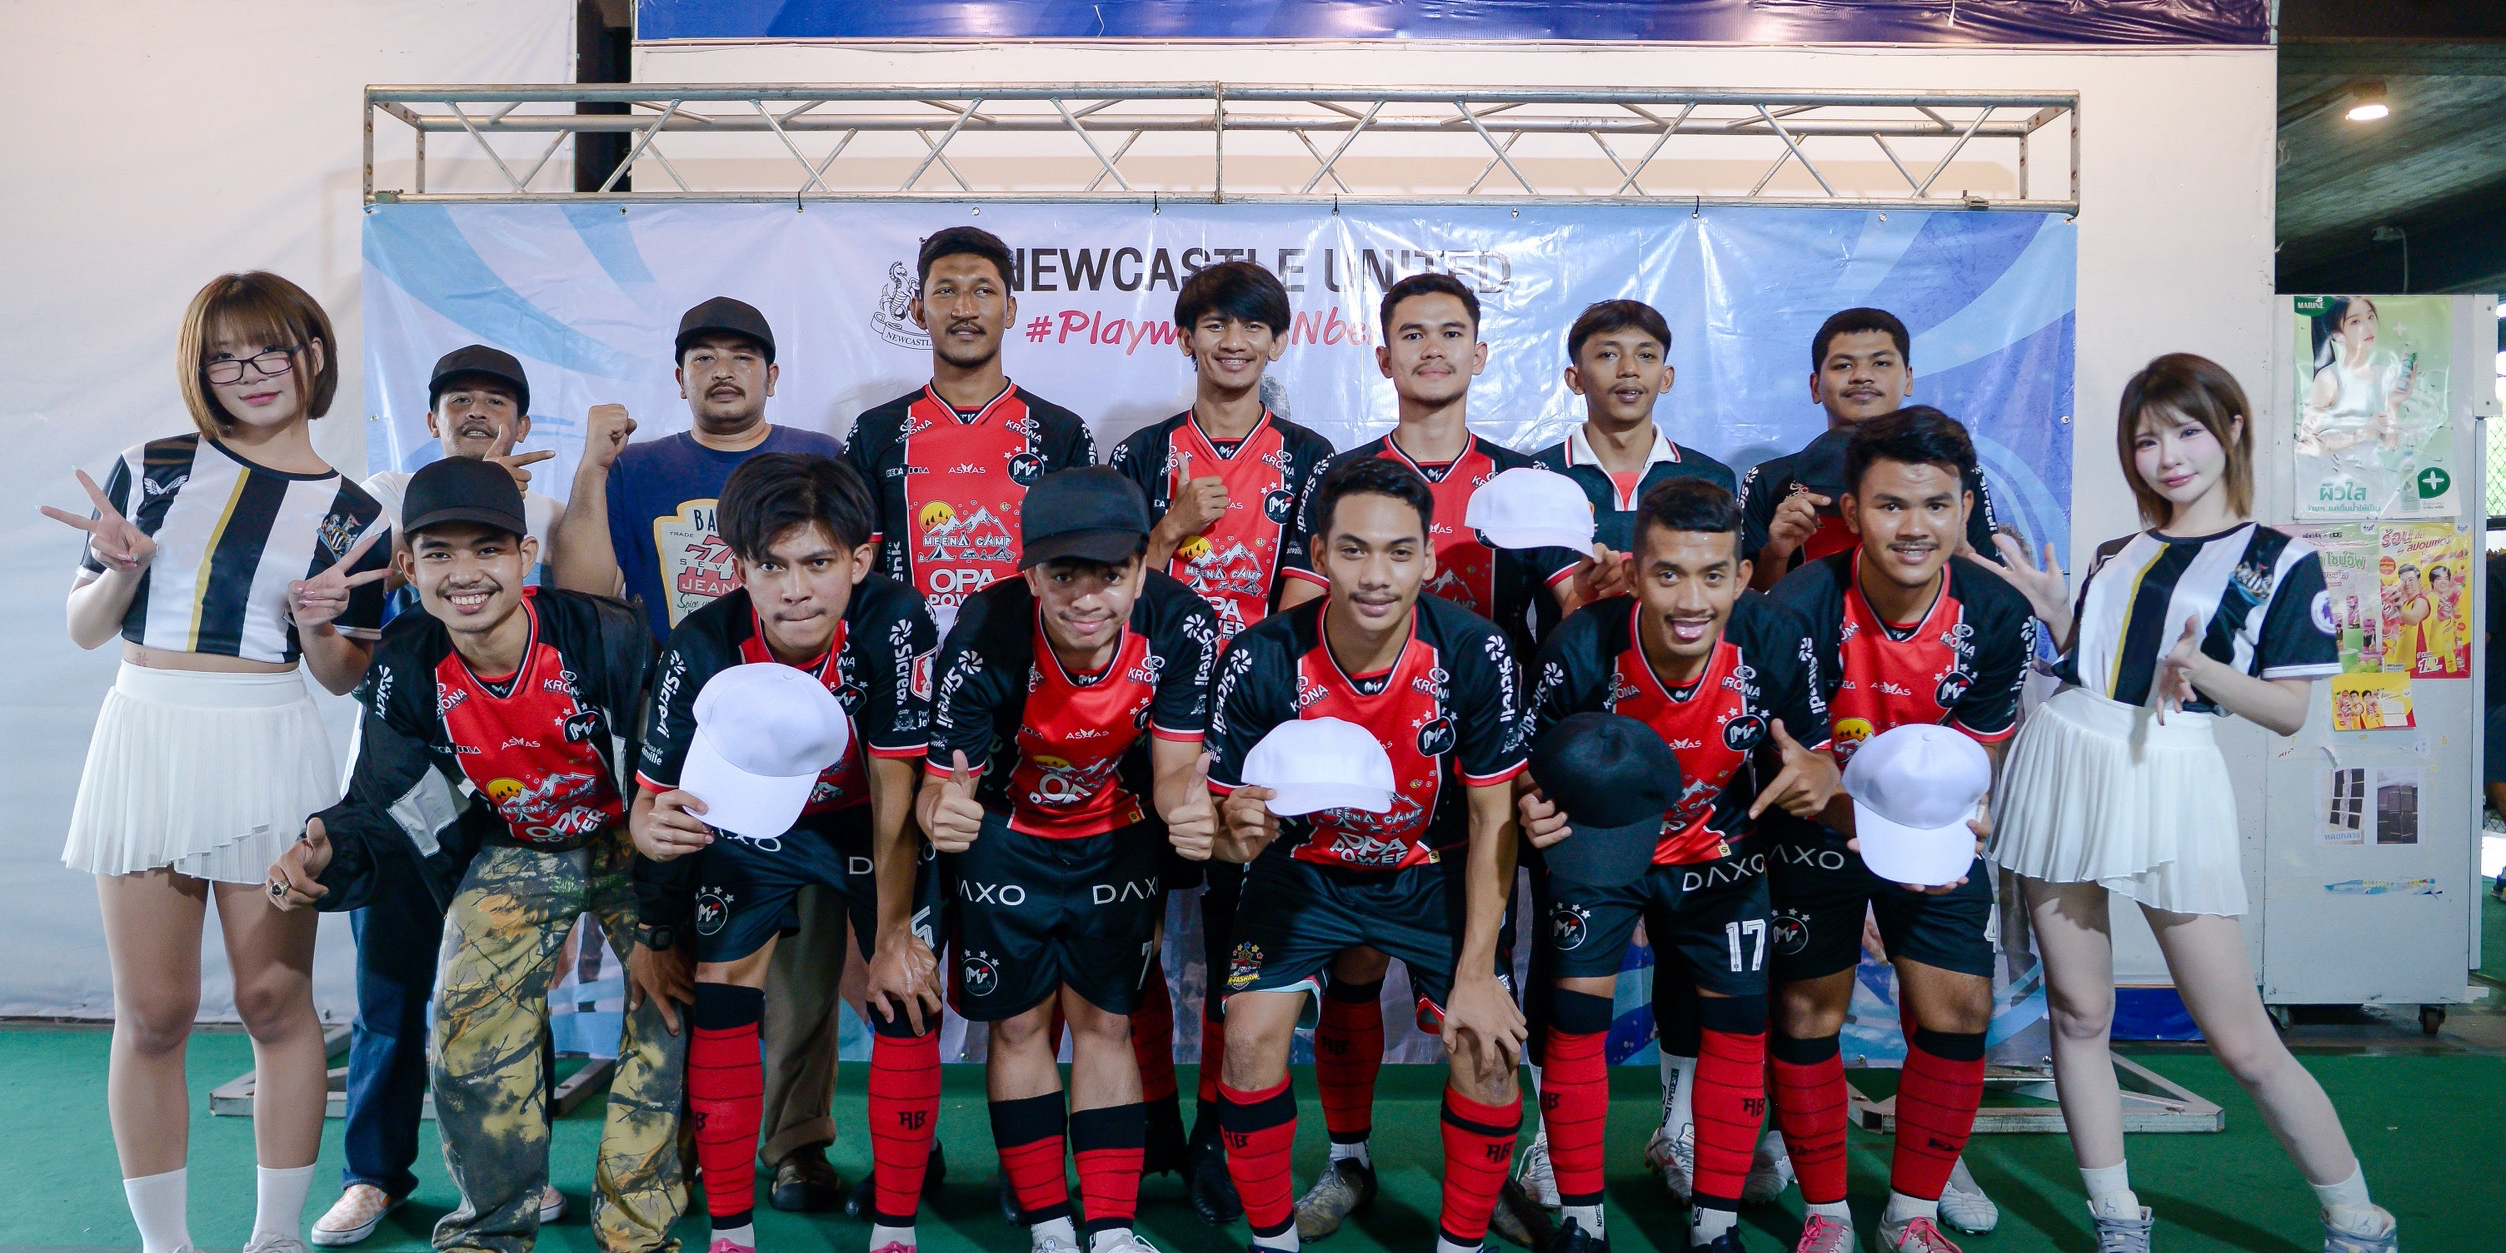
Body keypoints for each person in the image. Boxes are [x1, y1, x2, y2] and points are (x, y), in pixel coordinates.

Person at [1984, 354, 2398, 1253]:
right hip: (2067, 760)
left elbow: (2288, 711)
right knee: (2078, 1013)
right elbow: (2097, 670)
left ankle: (2356, 1215)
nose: (2167, 456)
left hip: (2170, 776)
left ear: (2232, 429)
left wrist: (2206, 669)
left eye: (2186, 431)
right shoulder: (2118, 551)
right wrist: (2057, 611)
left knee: (2241, 1037)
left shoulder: (2280, 558)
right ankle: (2116, 1215)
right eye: (2146, 440)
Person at [264, 456, 687, 1253]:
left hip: (635, 839)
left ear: (525, 555)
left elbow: (675, 785)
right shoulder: (407, 659)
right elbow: (384, 797)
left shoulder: (606, 636)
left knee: (667, 1012)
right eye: (439, 553)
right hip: (517, 846)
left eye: (487, 549)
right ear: (407, 566)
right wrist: (322, 847)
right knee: (465, 1020)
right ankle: (491, 1228)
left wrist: (660, 931)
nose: (465, 573)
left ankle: (637, 1229)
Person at [46, 271, 387, 1253]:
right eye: (224, 357)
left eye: (270, 349)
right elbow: (84, 628)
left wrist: (320, 626)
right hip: (148, 733)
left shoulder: (355, 511)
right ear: (200, 370)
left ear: (314, 354)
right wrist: (120, 569)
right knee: (154, 1010)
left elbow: (342, 676)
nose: (250, 372)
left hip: (268, 738)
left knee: (275, 1000)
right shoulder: (149, 467)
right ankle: (167, 1244)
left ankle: (273, 1235)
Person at [1273, 273, 1616, 1239]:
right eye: (1413, 333)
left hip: (1483, 775)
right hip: (1357, 766)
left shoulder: (1525, 480)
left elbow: (1573, 620)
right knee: (1352, 969)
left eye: (1452, 332)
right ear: (1383, 357)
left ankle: (1491, 1178)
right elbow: (1296, 622)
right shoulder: (1343, 475)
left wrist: (1608, 597)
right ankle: (1349, 1160)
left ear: (1481, 353)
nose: (1433, 348)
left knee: (1483, 987)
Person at [551, 295, 860, 1211]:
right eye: (703, 357)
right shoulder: (640, 466)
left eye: (742, 355)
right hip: (681, 728)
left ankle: (796, 1143)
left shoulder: (819, 456)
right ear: (679, 375)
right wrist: (591, 467)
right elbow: (582, 587)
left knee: (803, 967)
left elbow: (852, 584)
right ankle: (682, 1139)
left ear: (772, 372)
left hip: (799, 734)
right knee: (681, 954)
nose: (723, 370)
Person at [1205, 454, 1531, 1253]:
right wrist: (1230, 828)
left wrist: (1478, 973)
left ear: (1429, 556)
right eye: (1353, 550)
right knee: (1246, 1040)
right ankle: (1295, 1219)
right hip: (1305, 871)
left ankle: (1461, 1244)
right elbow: (1220, 818)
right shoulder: (1259, 656)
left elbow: (1494, 817)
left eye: (1398, 551)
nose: (1376, 576)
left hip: (1432, 868)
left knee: (1488, 1048)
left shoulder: (1476, 651)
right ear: (1319, 554)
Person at [625, 453, 943, 1253]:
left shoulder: (894, 620)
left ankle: (896, 1230)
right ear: (740, 568)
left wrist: (894, 934)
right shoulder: (699, 644)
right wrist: (650, 854)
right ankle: (732, 1231)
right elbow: (652, 803)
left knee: (904, 991)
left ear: (860, 560)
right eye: (771, 566)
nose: (795, 589)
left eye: (818, 563)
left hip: (863, 818)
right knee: (724, 993)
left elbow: (896, 789)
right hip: (753, 824)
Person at [1518, 476, 1841, 1253]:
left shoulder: (1775, 637)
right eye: (1668, 574)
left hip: (1720, 849)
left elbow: (1819, 755)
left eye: (1712, 574)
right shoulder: (1581, 644)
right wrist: (1531, 799)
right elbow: (1527, 765)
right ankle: (1583, 1223)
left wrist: (1823, 773)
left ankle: (1715, 1228)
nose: (1691, 600)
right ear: (1633, 573)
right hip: (1603, 846)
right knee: (1575, 1019)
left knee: (1738, 1026)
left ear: (1743, 575)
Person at [921, 467, 1224, 1253]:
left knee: (1107, 1021)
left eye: (1111, 574)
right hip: (1005, 833)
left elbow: (1173, 775)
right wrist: (941, 813)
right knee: (1019, 1024)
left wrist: (1195, 814)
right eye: (1063, 575)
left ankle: (1112, 1229)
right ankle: (1051, 1227)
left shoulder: (1183, 626)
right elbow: (941, 787)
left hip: (1115, 832)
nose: (1088, 598)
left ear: (1141, 569)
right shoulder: (983, 631)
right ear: (1030, 576)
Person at [1761, 410, 2035, 1253]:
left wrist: (1931, 831)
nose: (1914, 526)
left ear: (1964, 509)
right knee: (1808, 1009)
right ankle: (1828, 1213)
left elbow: (1979, 755)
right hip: (1820, 822)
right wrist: (1857, 824)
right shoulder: (1797, 606)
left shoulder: (1999, 612)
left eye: (1936, 505)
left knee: (1960, 1004)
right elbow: (1801, 767)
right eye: (1890, 505)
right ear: (1851, 509)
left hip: (1933, 824)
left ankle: (1910, 1211)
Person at [318, 343, 568, 1245]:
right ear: (430, 419)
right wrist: (430, 528)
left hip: (508, 789)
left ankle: (520, 1170)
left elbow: (574, 628)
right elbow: (343, 627)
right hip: (398, 784)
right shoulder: (383, 498)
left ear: (524, 422)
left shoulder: (546, 513)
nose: (476, 412)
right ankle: (373, 1176)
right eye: (458, 399)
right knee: (390, 992)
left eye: (496, 400)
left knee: (513, 993)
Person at [1107, 259, 1337, 1219]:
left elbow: (1305, 599)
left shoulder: (1312, 457)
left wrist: (1242, 702)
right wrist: (1168, 530)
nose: (1233, 342)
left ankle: (1213, 1128)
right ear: (1186, 338)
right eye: (1214, 325)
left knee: (1240, 940)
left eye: (1251, 327)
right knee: (1129, 931)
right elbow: (1108, 592)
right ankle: (1148, 1112)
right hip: (1136, 725)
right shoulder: (1141, 453)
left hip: (1256, 734)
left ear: (1277, 342)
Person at [845, 226, 1097, 636]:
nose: (964, 309)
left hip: (1024, 659)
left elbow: (1085, 568)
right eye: (946, 291)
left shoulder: (1061, 433)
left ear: (1010, 310)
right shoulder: (875, 431)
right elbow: (853, 571)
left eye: (983, 291)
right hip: (911, 658)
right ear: (918, 310)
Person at [1740, 308, 2000, 591]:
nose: (1862, 376)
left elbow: (1992, 593)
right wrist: (1775, 555)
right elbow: (1742, 602)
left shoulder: (1952, 472)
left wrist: (1959, 548)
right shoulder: (1768, 479)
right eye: (1843, 365)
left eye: (1881, 363)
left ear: (1908, 379)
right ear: (1815, 386)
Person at [1532, 299, 1745, 554]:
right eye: (1608, 354)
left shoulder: (1710, 479)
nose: (1629, 369)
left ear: (1666, 378)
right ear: (1575, 379)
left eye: (1646, 356)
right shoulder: (1536, 478)